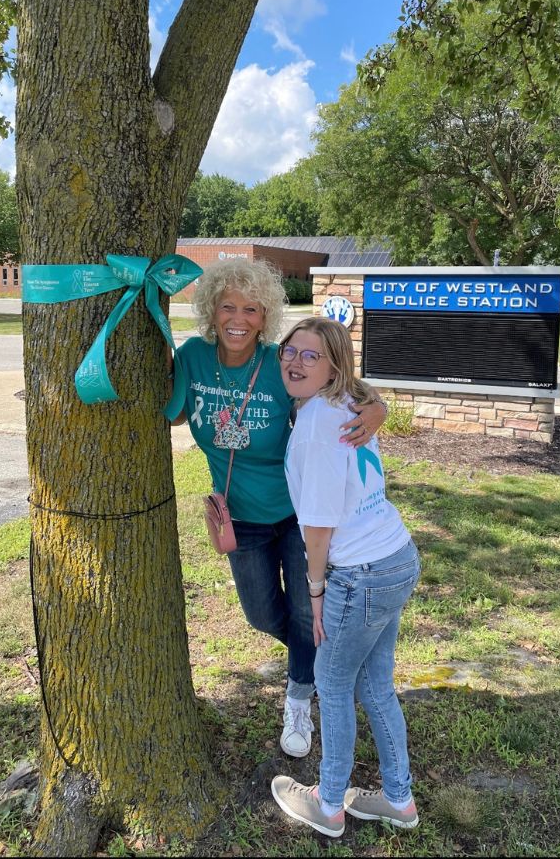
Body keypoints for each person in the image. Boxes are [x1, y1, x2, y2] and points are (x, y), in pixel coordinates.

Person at [173, 259, 387, 758]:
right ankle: (327, 664)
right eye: (228, 306)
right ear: (211, 310)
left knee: (304, 611)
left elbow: (341, 385)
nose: (238, 319)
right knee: (264, 615)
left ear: (265, 316)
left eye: (251, 309)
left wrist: (378, 407)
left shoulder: (279, 361)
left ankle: (298, 699)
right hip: (241, 518)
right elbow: (175, 411)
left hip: (297, 514)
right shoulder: (194, 357)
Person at [270, 317, 420, 839]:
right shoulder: (345, 402)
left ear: (333, 367)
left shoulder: (318, 423)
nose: (295, 362)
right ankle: (398, 799)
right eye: (290, 350)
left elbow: (317, 528)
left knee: (333, 685)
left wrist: (315, 591)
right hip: (396, 558)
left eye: (311, 355)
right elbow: (366, 393)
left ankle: (329, 804)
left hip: (360, 573)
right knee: (375, 684)